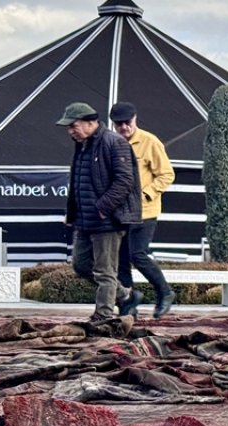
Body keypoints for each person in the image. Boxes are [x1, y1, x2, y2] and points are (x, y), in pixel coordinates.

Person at [58, 102, 143, 322]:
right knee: (81, 265)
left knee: (105, 271)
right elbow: (78, 182)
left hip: (107, 221)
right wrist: (72, 213)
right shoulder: (83, 144)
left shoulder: (114, 143)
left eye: (73, 126)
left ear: (90, 122)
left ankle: (103, 315)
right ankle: (125, 296)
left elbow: (125, 181)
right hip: (85, 221)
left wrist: (103, 208)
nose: (70, 131)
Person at [110, 102, 175, 319]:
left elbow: (167, 174)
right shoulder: (111, 143)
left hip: (145, 211)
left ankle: (165, 292)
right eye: (119, 124)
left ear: (135, 119)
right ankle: (128, 306)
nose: (124, 128)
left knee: (138, 254)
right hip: (119, 212)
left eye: (127, 123)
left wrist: (146, 193)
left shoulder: (150, 142)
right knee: (121, 259)